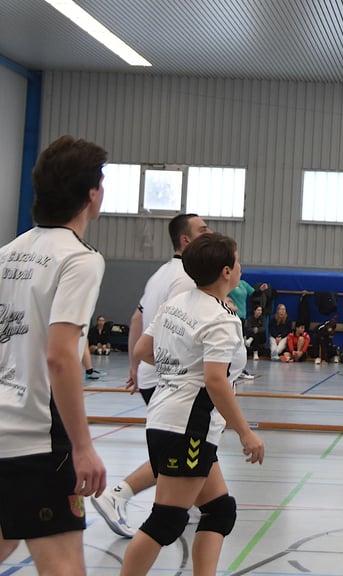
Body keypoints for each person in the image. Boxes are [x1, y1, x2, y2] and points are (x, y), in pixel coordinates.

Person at [120, 233, 264, 576]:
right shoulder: (221, 318)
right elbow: (215, 380)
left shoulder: (178, 303)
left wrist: (177, 367)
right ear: (227, 271)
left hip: (164, 418)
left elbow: (142, 351)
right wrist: (246, 433)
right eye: (238, 260)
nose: (241, 266)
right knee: (167, 521)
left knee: (219, 511)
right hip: (188, 427)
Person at [0, 135, 108, 574]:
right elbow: (62, 356)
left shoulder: (7, 255)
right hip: (40, 442)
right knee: (64, 567)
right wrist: (83, 447)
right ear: (90, 195)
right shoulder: (79, 259)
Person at [93, 212, 211, 538]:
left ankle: (192, 503)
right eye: (203, 229)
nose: (210, 232)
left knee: (193, 449)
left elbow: (137, 319)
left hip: (150, 373)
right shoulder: (188, 278)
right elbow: (179, 330)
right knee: (179, 449)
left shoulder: (161, 273)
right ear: (186, 241)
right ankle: (119, 495)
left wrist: (135, 366)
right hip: (170, 378)